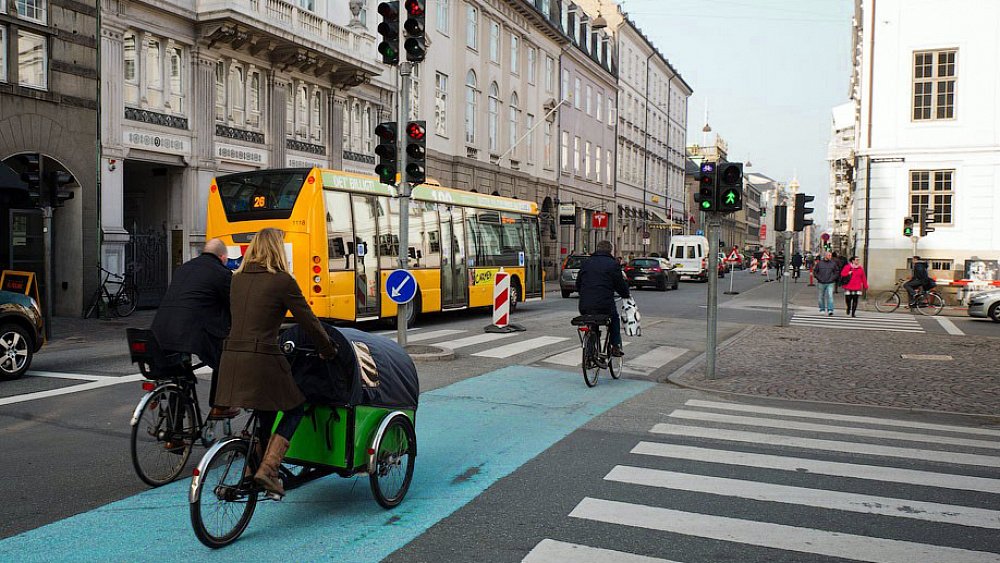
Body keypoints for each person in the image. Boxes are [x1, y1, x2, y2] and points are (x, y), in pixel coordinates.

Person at [214, 228, 337, 499]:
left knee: (265, 412)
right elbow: (309, 322)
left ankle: (250, 471)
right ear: (277, 250)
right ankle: (269, 468)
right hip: (263, 360)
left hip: (232, 360)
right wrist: (328, 350)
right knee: (295, 408)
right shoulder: (282, 281)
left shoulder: (236, 279)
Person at [151, 238, 237, 421]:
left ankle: (174, 436)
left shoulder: (184, 268)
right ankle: (219, 406)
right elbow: (234, 305)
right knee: (226, 357)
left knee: (180, 376)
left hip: (159, 330)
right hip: (189, 332)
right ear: (222, 257)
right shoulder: (222, 273)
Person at [576, 240, 630, 357]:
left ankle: (590, 353)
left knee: (592, 322)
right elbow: (620, 284)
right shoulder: (613, 264)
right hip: (604, 305)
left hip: (585, 305)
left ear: (597, 249)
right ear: (610, 250)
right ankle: (615, 345)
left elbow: (578, 284)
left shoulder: (587, 262)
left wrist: (584, 293)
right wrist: (626, 294)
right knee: (614, 318)